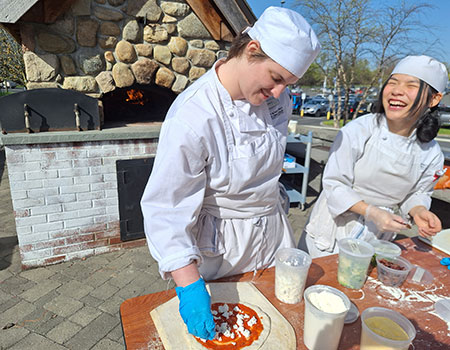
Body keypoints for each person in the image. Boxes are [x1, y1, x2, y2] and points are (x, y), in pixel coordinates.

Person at [140, 6, 320, 340]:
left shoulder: (277, 101)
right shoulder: (194, 116)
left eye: (290, 83)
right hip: (221, 250)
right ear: (252, 50)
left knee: (278, 328)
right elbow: (166, 207)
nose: (281, 93)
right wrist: (189, 285)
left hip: (272, 235)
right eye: (277, 78)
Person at [300, 55, 448, 258]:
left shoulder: (432, 153)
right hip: (330, 231)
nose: (396, 91)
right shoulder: (359, 130)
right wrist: (371, 212)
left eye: (410, 85)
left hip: (377, 237)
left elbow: (417, 193)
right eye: (393, 83)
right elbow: (334, 184)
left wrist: (419, 211)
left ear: (434, 99)